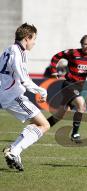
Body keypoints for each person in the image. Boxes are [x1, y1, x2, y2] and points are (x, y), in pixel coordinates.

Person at [0, 23, 50, 171]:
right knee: (44, 125)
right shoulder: (18, 52)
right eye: (34, 39)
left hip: (7, 94)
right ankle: (14, 151)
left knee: (40, 123)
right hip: (13, 96)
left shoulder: (8, 49)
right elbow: (23, 79)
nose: (34, 42)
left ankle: (14, 151)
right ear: (27, 38)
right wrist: (41, 91)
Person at [47, 35, 87, 142]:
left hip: (79, 87)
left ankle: (39, 127)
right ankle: (75, 134)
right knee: (81, 106)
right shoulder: (72, 53)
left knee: (61, 114)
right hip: (69, 84)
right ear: (81, 44)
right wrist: (54, 71)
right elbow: (56, 57)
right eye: (85, 44)